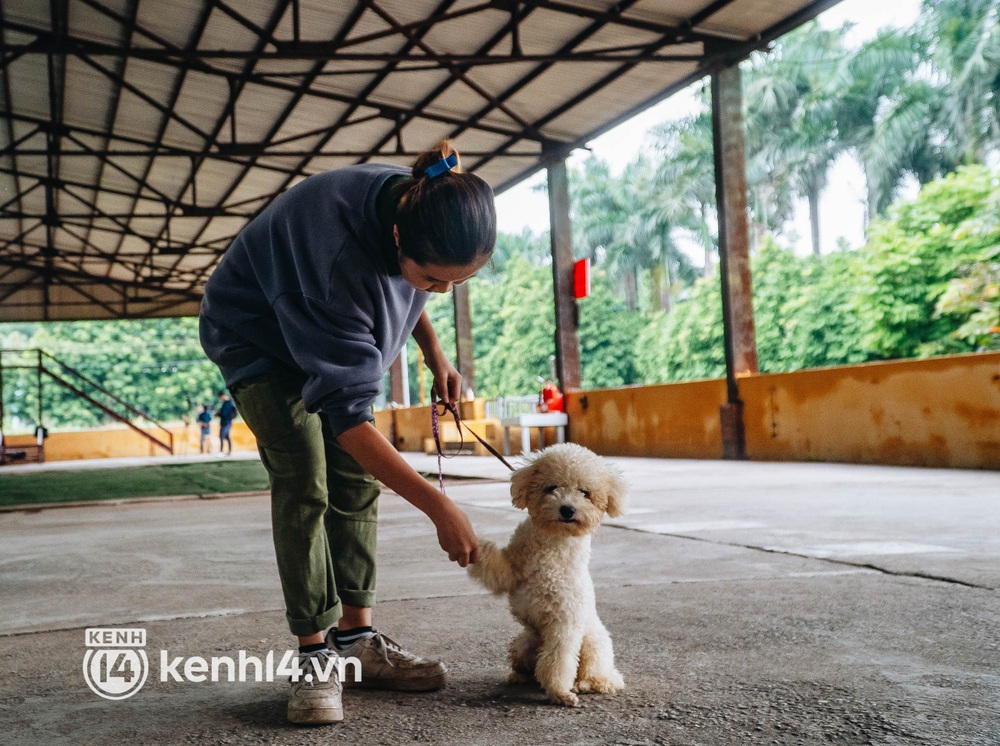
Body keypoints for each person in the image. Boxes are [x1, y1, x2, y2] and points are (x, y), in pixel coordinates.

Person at [199, 140, 496, 725]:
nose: (440, 290)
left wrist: (435, 353)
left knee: (356, 482)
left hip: (322, 325)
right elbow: (348, 421)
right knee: (305, 479)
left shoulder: (418, 200)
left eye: (455, 283)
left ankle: (356, 642)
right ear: (395, 243)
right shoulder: (332, 263)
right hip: (258, 340)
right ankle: (315, 656)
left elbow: (411, 286)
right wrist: (440, 507)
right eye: (434, 278)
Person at [216, 390, 237, 455]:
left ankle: (221, 451)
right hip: (225, 422)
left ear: (222, 396)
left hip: (227, 422)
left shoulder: (228, 403)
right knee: (227, 436)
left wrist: (218, 414)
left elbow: (224, 413)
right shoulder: (226, 403)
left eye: (220, 397)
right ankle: (229, 451)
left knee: (221, 436)